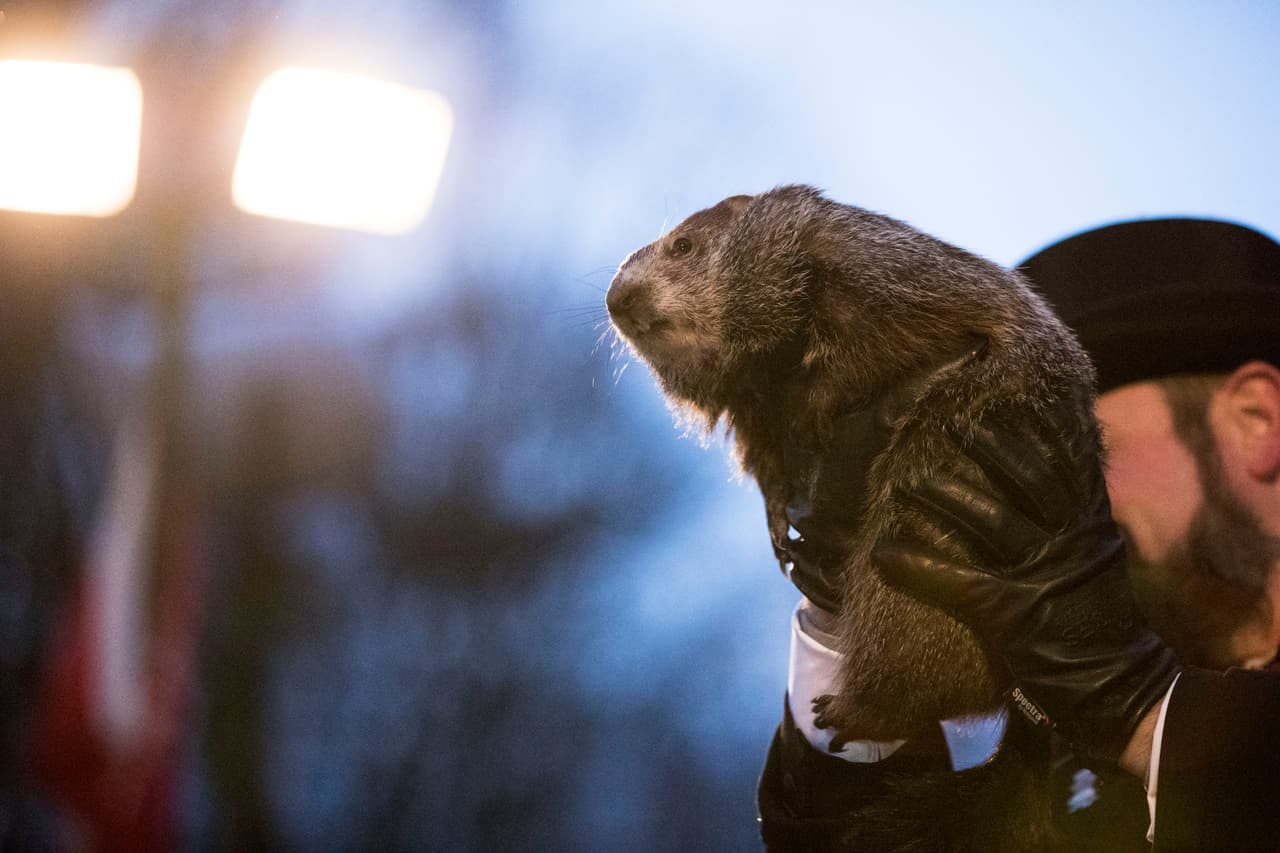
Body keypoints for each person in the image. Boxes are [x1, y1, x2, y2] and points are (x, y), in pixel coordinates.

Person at [757, 216, 1280, 851]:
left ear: (1258, 419)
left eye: (1073, 438)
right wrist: (848, 605)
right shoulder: (1055, 747)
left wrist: (1142, 714)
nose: (1032, 487)